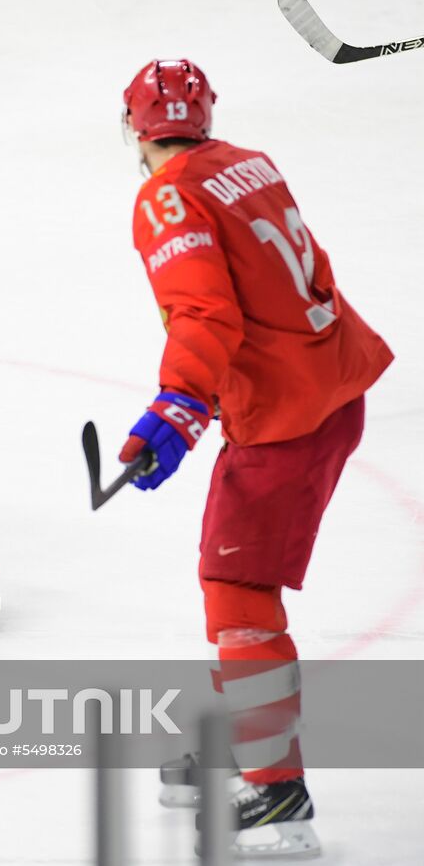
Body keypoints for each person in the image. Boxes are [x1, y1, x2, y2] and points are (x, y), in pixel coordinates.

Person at [116, 59, 393, 858]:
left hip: (287, 418)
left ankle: (276, 789)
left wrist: (178, 405)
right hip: (333, 383)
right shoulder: (247, 161)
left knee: (237, 589)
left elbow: (204, 311)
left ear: (134, 126)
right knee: (237, 580)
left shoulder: (166, 196)